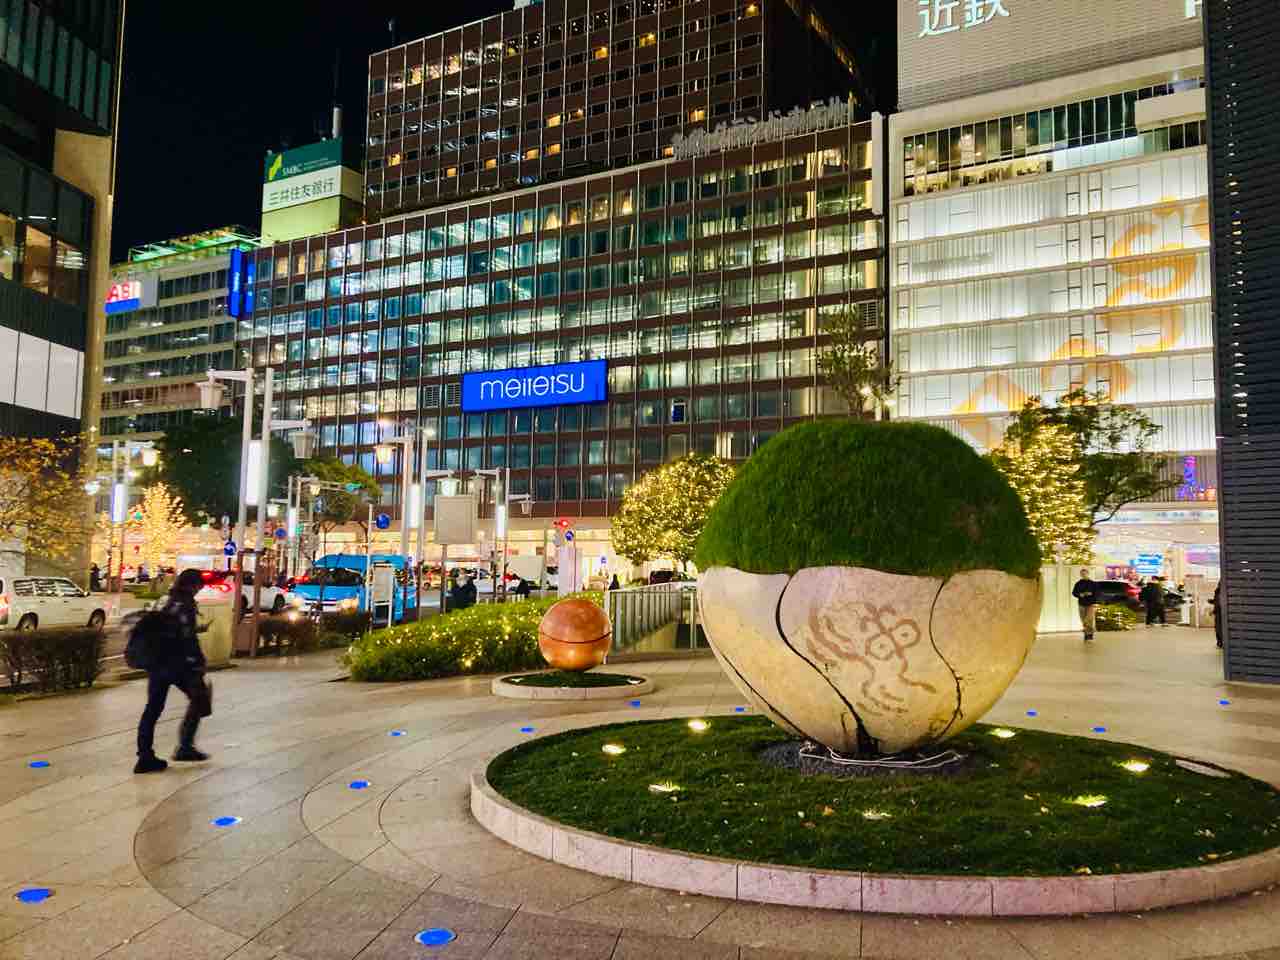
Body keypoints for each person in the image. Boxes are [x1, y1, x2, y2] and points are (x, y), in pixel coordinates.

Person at [135, 568, 211, 774]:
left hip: (157, 662)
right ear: (192, 585)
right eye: (199, 586)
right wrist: (198, 662)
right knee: (200, 698)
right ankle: (185, 747)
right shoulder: (185, 603)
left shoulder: (165, 600)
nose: (199, 589)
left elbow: (168, 628)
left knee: (152, 709)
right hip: (178, 664)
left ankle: (144, 756)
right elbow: (186, 637)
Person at [1071, 568, 1098, 643]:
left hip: (1090, 604)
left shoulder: (1093, 583)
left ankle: (1090, 635)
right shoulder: (1078, 583)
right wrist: (1080, 594)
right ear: (1080, 575)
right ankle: (1086, 635)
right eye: (1082, 574)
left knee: (1089, 619)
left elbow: (1097, 593)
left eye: (1085, 573)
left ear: (1088, 573)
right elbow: (1074, 593)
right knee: (1083, 620)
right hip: (1081, 604)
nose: (1083, 575)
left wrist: (1091, 595)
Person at [1210, 583, 1224, 648]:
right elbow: (1217, 602)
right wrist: (1212, 601)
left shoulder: (1219, 592)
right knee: (1218, 629)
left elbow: (1218, 604)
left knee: (1219, 629)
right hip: (1219, 613)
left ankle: (1220, 643)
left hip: (1219, 613)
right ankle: (1219, 643)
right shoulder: (1218, 592)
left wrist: (1213, 611)